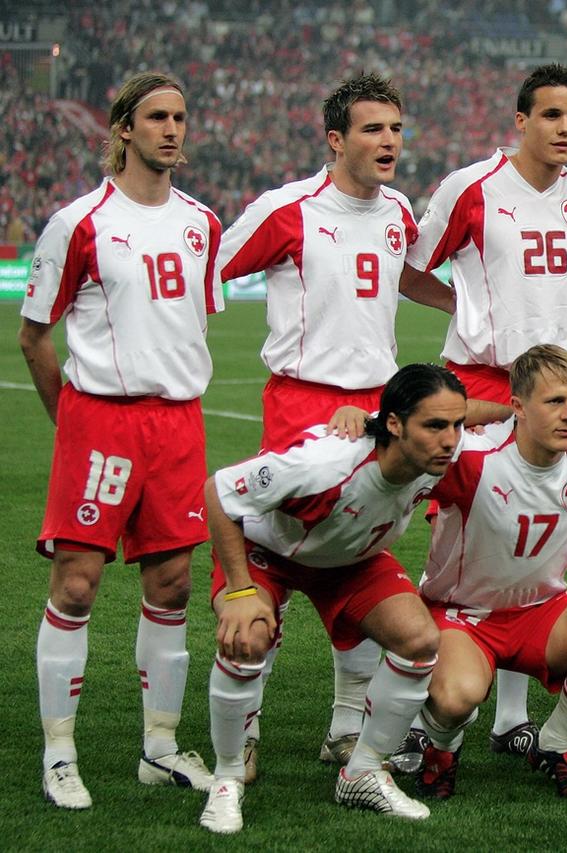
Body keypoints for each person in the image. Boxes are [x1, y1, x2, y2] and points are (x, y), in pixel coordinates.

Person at [215, 74, 437, 776]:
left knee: (356, 550)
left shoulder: (399, 209)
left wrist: (475, 304)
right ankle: (243, 729)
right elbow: (211, 268)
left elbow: (407, 273)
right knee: (281, 552)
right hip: (302, 403)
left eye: (397, 130)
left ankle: (346, 727)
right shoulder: (288, 209)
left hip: (381, 407)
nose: (390, 142)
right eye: (374, 130)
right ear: (336, 139)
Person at [20, 72, 220, 810]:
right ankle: (60, 752)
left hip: (179, 424)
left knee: (171, 586)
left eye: (181, 116)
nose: (172, 129)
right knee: (76, 584)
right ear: (124, 129)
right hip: (101, 421)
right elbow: (34, 338)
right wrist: (72, 423)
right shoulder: (80, 221)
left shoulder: (202, 221)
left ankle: (160, 748)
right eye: (157, 117)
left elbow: (194, 322)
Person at [399, 64, 567, 752]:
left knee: (539, 539)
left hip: (552, 383)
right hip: (479, 383)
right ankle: (422, 681)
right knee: (460, 536)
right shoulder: (473, 187)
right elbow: (409, 264)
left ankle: (512, 716)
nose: (564, 129)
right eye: (550, 116)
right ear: (520, 121)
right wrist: (466, 305)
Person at [198, 363, 469, 833]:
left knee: (420, 639)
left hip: (351, 558)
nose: (450, 439)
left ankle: (362, 771)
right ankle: (226, 778)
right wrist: (240, 590)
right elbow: (219, 492)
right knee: (247, 637)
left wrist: (517, 407)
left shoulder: (440, 454)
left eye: (457, 424)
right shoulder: (324, 464)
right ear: (394, 425)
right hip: (270, 552)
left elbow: (483, 417)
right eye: (434, 426)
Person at [412, 345, 567, 801]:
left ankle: (556, 741)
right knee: (457, 697)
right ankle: (441, 747)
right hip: (465, 614)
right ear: (517, 407)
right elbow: (408, 431)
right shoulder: (472, 456)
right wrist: (360, 420)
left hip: (542, 610)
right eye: (554, 401)